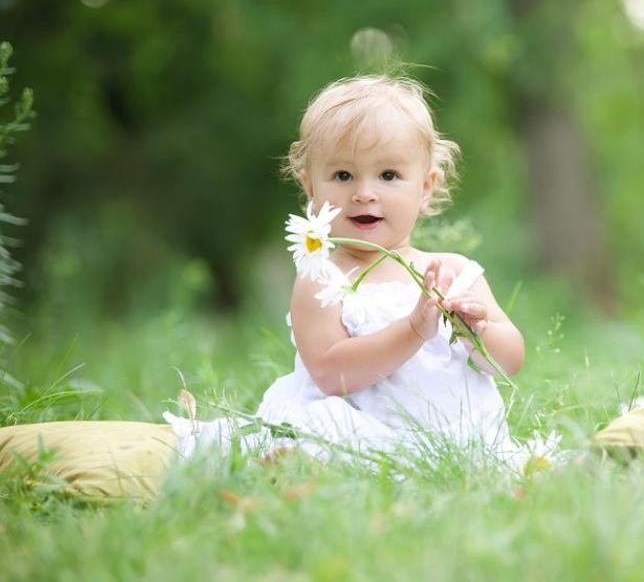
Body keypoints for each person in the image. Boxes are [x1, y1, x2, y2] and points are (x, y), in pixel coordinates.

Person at [165, 75, 525, 468]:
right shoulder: (321, 278)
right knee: (322, 431)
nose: (364, 193)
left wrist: (479, 330)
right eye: (343, 176)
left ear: (425, 187)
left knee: (496, 462)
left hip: (455, 435)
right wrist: (414, 330)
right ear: (311, 189)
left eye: (388, 176)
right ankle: (303, 467)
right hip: (361, 430)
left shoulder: (453, 271)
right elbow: (330, 373)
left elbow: (508, 361)